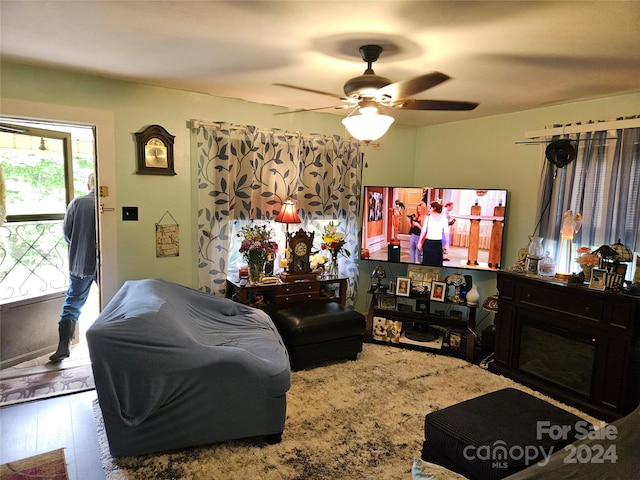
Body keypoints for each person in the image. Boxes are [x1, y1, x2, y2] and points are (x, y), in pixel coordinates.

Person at [49, 173, 97, 362]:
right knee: (112, 299)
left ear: (88, 185)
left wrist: (79, 245)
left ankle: (63, 346)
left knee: (73, 301)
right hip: (106, 260)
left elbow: (67, 233)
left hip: (81, 259)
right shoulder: (113, 203)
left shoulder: (77, 203)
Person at [418, 201, 449, 267]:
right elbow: (423, 231)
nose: (428, 209)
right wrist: (420, 242)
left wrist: (447, 245)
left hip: (437, 243)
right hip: (428, 243)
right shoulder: (428, 218)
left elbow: (446, 232)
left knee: (437, 263)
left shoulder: (444, 219)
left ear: (434, 208)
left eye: (430, 208)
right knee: (426, 262)